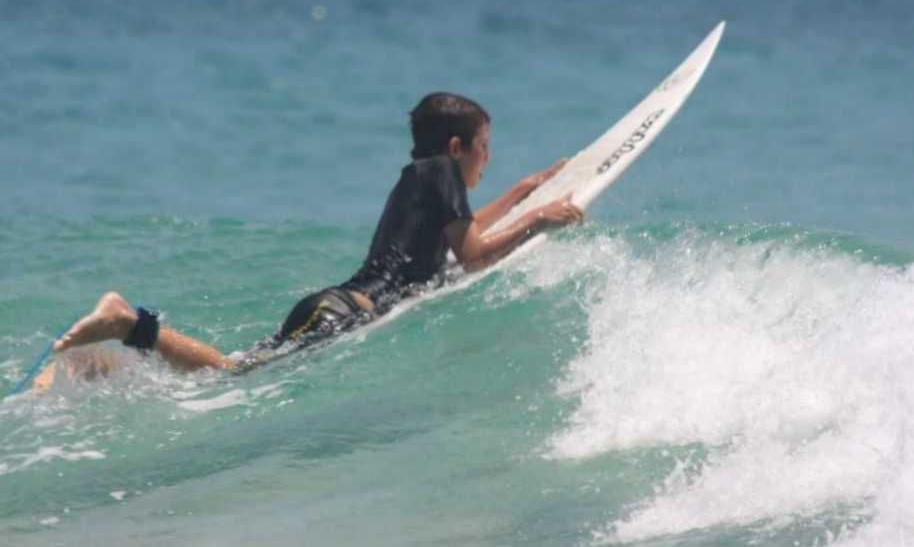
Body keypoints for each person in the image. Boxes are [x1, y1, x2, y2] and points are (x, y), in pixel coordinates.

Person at [37, 93, 582, 383]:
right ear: (459, 146)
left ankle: (95, 367)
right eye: (487, 148)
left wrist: (523, 191)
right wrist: (540, 219)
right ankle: (128, 321)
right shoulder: (440, 174)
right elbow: (475, 257)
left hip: (333, 303)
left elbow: (463, 237)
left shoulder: (422, 178)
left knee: (231, 370)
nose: (490, 159)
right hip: (345, 311)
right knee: (231, 376)